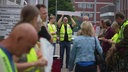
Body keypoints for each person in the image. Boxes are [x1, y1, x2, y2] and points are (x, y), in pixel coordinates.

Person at [14, 5, 47, 72]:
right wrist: (35, 63)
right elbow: (10, 65)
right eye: (39, 17)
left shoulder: (32, 41)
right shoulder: (20, 39)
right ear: (34, 19)